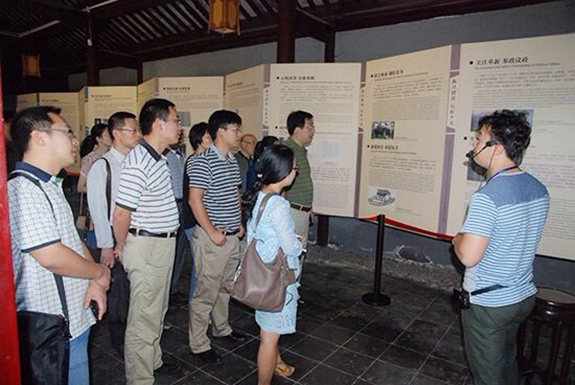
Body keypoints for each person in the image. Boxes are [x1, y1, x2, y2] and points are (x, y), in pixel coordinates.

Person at [8, 106, 110, 384]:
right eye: (67, 132)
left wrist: (95, 281)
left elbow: (72, 241)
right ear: (39, 137)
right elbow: (51, 255)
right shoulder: (23, 190)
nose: (75, 140)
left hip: (71, 320)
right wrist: (99, 272)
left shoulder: (49, 185)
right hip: (52, 328)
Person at [452, 110, 550, 385]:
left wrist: (458, 239)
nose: (473, 145)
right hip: (521, 296)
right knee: (507, 364)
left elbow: (468, 256)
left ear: (495, 147)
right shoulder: (538, 187)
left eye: (478, 138)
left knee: (488, 376)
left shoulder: (488, 196)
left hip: (489, 304)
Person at [113, 98, 182, 384]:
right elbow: (120, 213)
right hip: (147, 246)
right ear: (159, 124)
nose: (180, 127)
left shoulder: (159, 157)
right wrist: (121, 246)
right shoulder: (139, 160)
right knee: (143, 318)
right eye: (176, 120)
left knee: (156, 309)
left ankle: (153, 361)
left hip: (162, 244)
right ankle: (139, 379)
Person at [188, 110, 247, 363]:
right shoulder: (203, 161)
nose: (239, 134)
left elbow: (235, 193)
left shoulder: (231, 159)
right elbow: (194, 199)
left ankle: (221, 328)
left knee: (225, 287)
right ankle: (199, 343)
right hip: (213, 239)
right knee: (205, 292)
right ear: (220, 132)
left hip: (232, 236)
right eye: (235, 129)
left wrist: (239, 222)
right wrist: (212, 232)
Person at [242, 144, 304, 385]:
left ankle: (278, 364)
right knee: (269, 337)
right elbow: (291, 248)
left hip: (261, 273)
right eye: (294, 168)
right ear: (283, 171)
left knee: (267, 330)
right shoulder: (278, 204)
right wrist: (300, 244)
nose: (295, 172)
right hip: (276, 278)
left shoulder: (260, 195)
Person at [86, 111, 141, 357]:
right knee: (118, 293)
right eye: (133, 130)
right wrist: (106, 244)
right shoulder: (103, 165)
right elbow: (98, 206)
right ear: (117, 133)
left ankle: (133, 334)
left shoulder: (134, 161)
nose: (138, 134)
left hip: (135, 236)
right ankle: (119, 342)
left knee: (133, 289)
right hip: (113, 235)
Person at [181, 122, 212, 301]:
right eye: (208, 137)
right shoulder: (196, 161)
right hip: (194, 222)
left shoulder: (203, 160)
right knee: (200, 267)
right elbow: (195, 199)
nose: (212, 141)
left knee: (202, 266)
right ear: (199, 140)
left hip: (199, 221)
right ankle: (197, 305)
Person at [283, 111, 314, 240]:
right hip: (291, 211)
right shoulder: (286, 151)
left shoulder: (300, 150)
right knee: (289, 254)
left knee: (299, 252)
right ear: (297, 129)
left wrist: (309, 207)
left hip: (303, 211)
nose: (312, 130)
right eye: (309, 126)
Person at [166, 130, 188, 298]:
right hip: (170, 204)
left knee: (180, 247)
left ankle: (173, 286)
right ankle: (166, 286)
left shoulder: (181, 155)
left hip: (183, 204)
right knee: (169, 249)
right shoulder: (163, 156)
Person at [77, 123, 112, 193]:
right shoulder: (89, 159)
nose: (110, 137)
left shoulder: (112, 156)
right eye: (106, 135)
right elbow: (80, 187)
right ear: (98, 139)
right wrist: (101, 190)